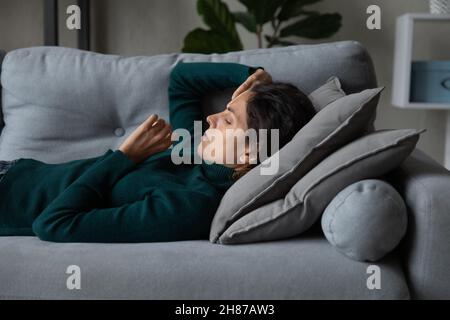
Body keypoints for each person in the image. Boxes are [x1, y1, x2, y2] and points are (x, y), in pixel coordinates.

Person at [0, 62, 316, 243]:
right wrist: (253, 75)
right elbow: (182, 80)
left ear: (250, 152)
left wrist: (124, 157)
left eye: (229, 119)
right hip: (14, 168)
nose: (212, 118)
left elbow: (52, 224)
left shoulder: (190, 204)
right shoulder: (192, 153)